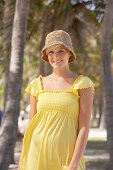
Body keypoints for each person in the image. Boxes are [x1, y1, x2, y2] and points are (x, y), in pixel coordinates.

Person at [18, 30, 95, 170]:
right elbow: (31, 126)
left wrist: (74, 164)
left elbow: (84, 128)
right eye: (51, 52)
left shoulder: (83, 84)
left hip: (66, 159)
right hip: (35, 158)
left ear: (70, 53)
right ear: (47, 56)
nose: (55, 56)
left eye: (60, 51)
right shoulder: (37, 85)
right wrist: (21, 162)